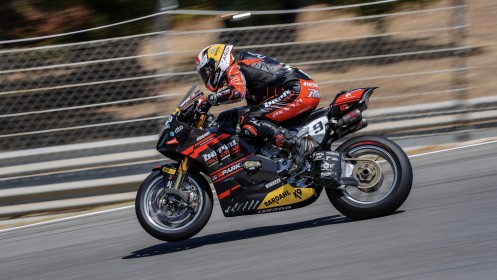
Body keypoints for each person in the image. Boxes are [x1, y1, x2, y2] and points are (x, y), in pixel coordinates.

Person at [195, 44, 321, 173]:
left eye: (207, 71)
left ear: (217, 62)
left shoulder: (235, 68)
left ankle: (297, 145)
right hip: (302, 88)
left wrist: (209, 100)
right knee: (252, 120)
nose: (206, 76)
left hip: (297, 89)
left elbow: (236, 93)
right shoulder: (246, 72)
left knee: (249, 120)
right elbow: (252, 108)